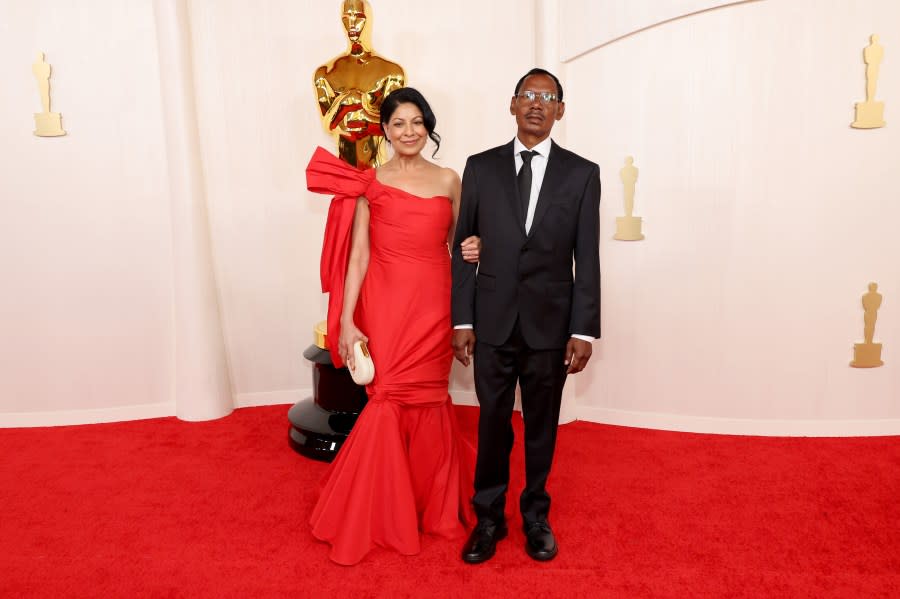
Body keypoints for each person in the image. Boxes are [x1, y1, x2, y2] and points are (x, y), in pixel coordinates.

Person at [305, 87, 480, 565]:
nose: (409, 131)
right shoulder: (371, 183)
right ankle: (378, 510)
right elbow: (357, 255)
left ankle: (430, 505)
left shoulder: (449, 178)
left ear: (429, 127)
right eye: (399, 123)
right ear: (385, 130)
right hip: (385, 304)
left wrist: (475, 250)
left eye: (417, 122)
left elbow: (460, 245)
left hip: (435, 301)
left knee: (429, 396)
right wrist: (345, 321)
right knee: (387, 396)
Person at [451, 68, 601, 563]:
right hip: (491, 322)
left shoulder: (583, 174)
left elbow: (588, 256)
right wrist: (463, 320)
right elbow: (463, 247)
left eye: (548, 96)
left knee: (542, 424)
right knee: (493, 423)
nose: (537, 103)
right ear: (512, 105)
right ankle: (488, 518)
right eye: (528, 95)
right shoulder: (480, 168)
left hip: (550, 327)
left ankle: (536, 515)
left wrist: (582, 328)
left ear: (561, 110)